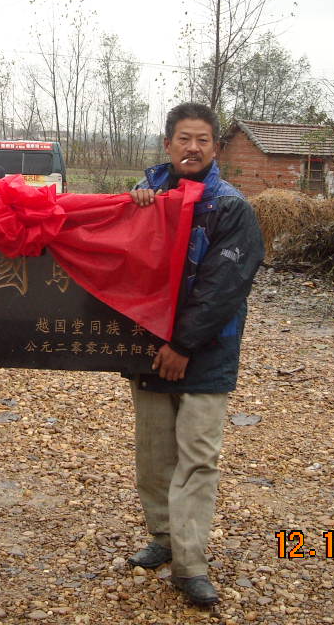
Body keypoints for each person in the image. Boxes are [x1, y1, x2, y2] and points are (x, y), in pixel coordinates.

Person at [124, 102, 264, 608]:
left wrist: (183, 345)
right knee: (155, 451)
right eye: (184, 138)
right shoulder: (147, 198)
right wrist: (132, 210)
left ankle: (190, 560)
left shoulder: (230, 207)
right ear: (168, 144)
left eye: (203, 139)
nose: (193, 148)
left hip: (207, 351)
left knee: (198, 456)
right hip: (147, 347)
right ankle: (162, 536)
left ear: (215, 147)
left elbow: (224, 286)